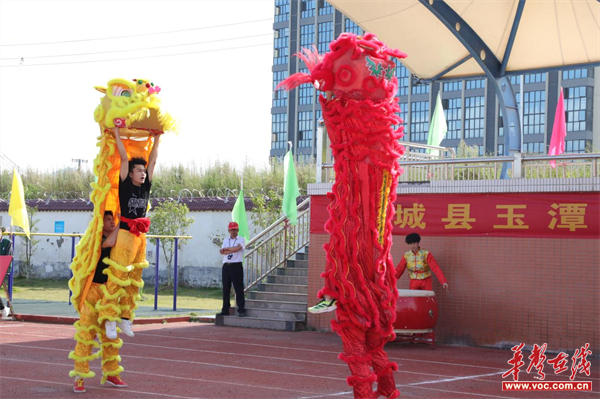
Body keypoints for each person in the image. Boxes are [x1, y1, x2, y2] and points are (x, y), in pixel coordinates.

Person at [98, 127, 160, 340]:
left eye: (144, 171)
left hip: (140, 236)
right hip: (125, 233)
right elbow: (124, 157)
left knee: (134, 278)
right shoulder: (125, 185)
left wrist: (157, 138)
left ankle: (125, 318)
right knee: (118, 275)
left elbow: (152, 162)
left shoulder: (146, 186)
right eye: (139, 171)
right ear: (131, 173)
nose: (143, 173)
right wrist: (116, 132)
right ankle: (109, 319)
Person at [70, 211, 125, 393]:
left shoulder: (119, 238)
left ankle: (111, 373)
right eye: (107, 220)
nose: (111, 222)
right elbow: (108, 243)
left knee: (111, 336)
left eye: (113, 219)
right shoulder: (96, 239)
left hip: (108, 292)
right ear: (100, 224)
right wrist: (121, 222)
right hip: (92, 290)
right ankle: (79, 376)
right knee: (86, 334)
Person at [217, 222, 246, 317]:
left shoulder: (241, 239)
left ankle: (241, 309)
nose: (233, 231)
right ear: (228, 230)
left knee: (238, 288)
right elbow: (222, 252)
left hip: (236, 265)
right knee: (226, 288)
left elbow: (237, 249)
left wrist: (228, 249)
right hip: (226, 265)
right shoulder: (226, 240)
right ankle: (225, 309)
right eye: (232, 229)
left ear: (237, 230)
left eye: (235, 229)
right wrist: (231, 249)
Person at [0, 227, 13, 319]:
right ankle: (4, 309)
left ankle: (3, 309)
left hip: (3, 268)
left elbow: (9, 257)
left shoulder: (7, 243)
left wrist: (6, 269)